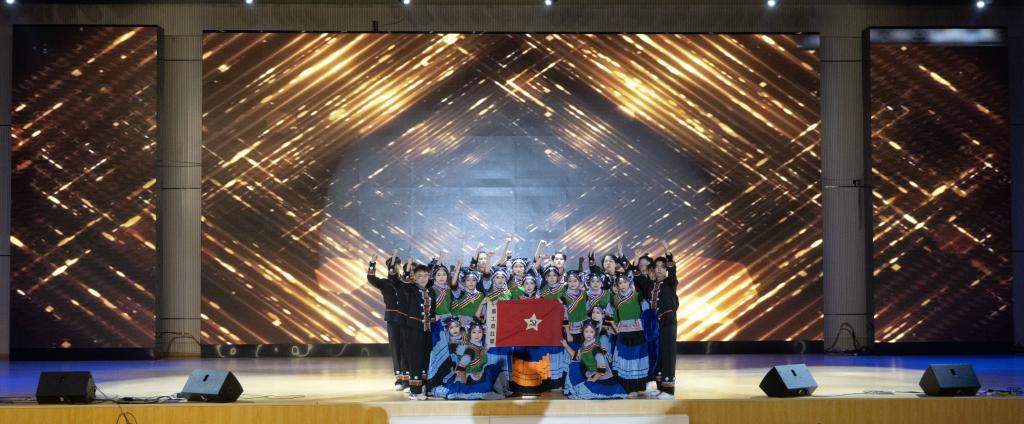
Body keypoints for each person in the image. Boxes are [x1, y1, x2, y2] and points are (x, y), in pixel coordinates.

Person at [636, 241, 679, 399]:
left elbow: (673, 270)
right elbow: (638, 278)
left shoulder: (670, 282)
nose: (659, 269)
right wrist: (636, 260)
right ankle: (661, 387)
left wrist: (668, 253)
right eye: (657, 267)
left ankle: (669, 390)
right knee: (658, 353)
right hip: (655, 324)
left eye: (662, 267)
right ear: (653, 270)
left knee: (668, 354)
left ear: (666, 269)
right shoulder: (651, 285)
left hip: (668, 322)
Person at [366, 253, 406, 391]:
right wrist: (372, 263)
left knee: (406, 347)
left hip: (406, 319)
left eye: (396, 265)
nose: (394, 268)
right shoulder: (384, 283)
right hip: (392, 319)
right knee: (396, 347)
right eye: (391, 266)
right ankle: (399, 378)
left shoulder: (405, 282)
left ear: (400, 266)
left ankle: (408, 377)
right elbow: (371, 278)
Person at [397, 262, 435, 400]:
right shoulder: (410, 289)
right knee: (415, 359)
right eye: (420, 276)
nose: (423, 278)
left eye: (426, 275)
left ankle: (423, 386)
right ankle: (415, 390)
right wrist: (407, 272)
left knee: (425, 358)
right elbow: (403, 285)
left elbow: (432, 311)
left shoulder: (431, 291)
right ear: (414, 278)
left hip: (427, 330)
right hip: (413, 330)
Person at [562, 320, 627, 400]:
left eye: (591, 332)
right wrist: (566, 346)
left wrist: (593, 380)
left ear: (595, 333)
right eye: (586, 332)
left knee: (582, 391)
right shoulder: (584, 346)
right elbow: (576, 357)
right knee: (573, 365)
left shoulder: (596, 348)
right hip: (591, 374)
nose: (589, 334)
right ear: (583, 332)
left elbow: (602, 368)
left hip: (602, 379)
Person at [610, 272, 651, 397]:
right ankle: (628, 388)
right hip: (623, 334)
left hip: (638, 334)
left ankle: (639, 386)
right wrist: (614, 327)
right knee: (625, 360)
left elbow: (647, 313)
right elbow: (611, 315)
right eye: (620, 283)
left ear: (629, 282)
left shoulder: (638, 296)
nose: (622, 285)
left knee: (637, 360)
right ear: (617, 285)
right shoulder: (615, 298)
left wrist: (643, 324)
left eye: (625, 282)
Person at [445, 320, 506, 400]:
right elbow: (461, 366)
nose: (477, 335)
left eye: (479, 332)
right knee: (485, 387)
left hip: (479, 373)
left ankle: (502, 390)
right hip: (469, 378)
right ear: (470, 334)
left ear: (483, 333)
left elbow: (479, 358)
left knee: (495, 368)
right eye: (474, 332)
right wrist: (462, 379)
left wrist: (484, 351)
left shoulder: (478, 346)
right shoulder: (468, 348)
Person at [426, 317, 464, 398]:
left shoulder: (466, 339)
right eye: (451, 327)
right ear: (447, 329)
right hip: (451, 371)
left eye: (456, 326)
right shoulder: (446, 342)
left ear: (460, 326)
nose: (455, 329)